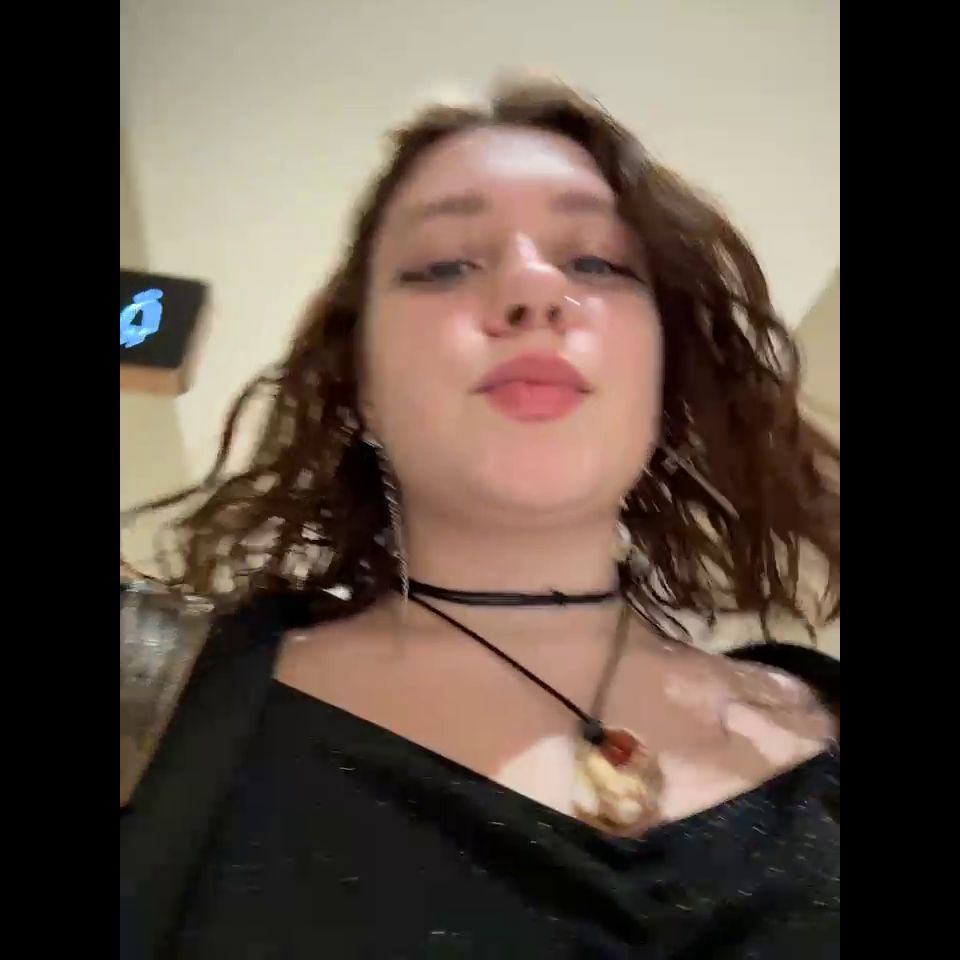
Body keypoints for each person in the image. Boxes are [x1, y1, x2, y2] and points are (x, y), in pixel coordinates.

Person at [120, 75, 839, 958]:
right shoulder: (160, 698)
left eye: (598, 263)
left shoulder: (820, 723)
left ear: (663, 373)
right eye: (445, 264)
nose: (534, 290)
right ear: (362, 387)